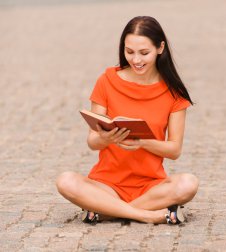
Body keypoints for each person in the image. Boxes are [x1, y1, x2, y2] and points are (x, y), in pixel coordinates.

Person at [56, 16, 199, 225]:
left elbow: (174, 150)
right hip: (106, 185)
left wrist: (142, 142)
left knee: (188, 184)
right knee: (66, 181)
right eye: (129, 52)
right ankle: (146, 214)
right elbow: (92, 142)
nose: (136, 60)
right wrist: (107, 138)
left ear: (160, 48)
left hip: (151, 186)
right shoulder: (107, 81)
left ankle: (103, 210)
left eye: (144, 53)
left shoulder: (174, 93)